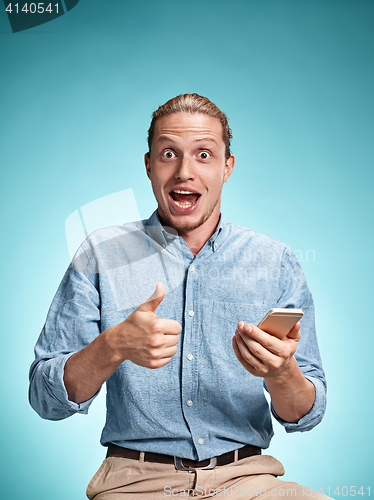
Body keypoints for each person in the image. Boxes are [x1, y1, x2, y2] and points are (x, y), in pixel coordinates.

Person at [29, 94, 328, 499]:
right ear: (149, 165)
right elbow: (44, 400)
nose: (185, 172)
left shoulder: (275, 261)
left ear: (227, 167)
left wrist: (280, 372)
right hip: (134, 484)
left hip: (249, 482)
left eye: (204, 154)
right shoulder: (101, 253)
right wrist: (112, 346)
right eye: (169, 153)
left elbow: (304, 415)